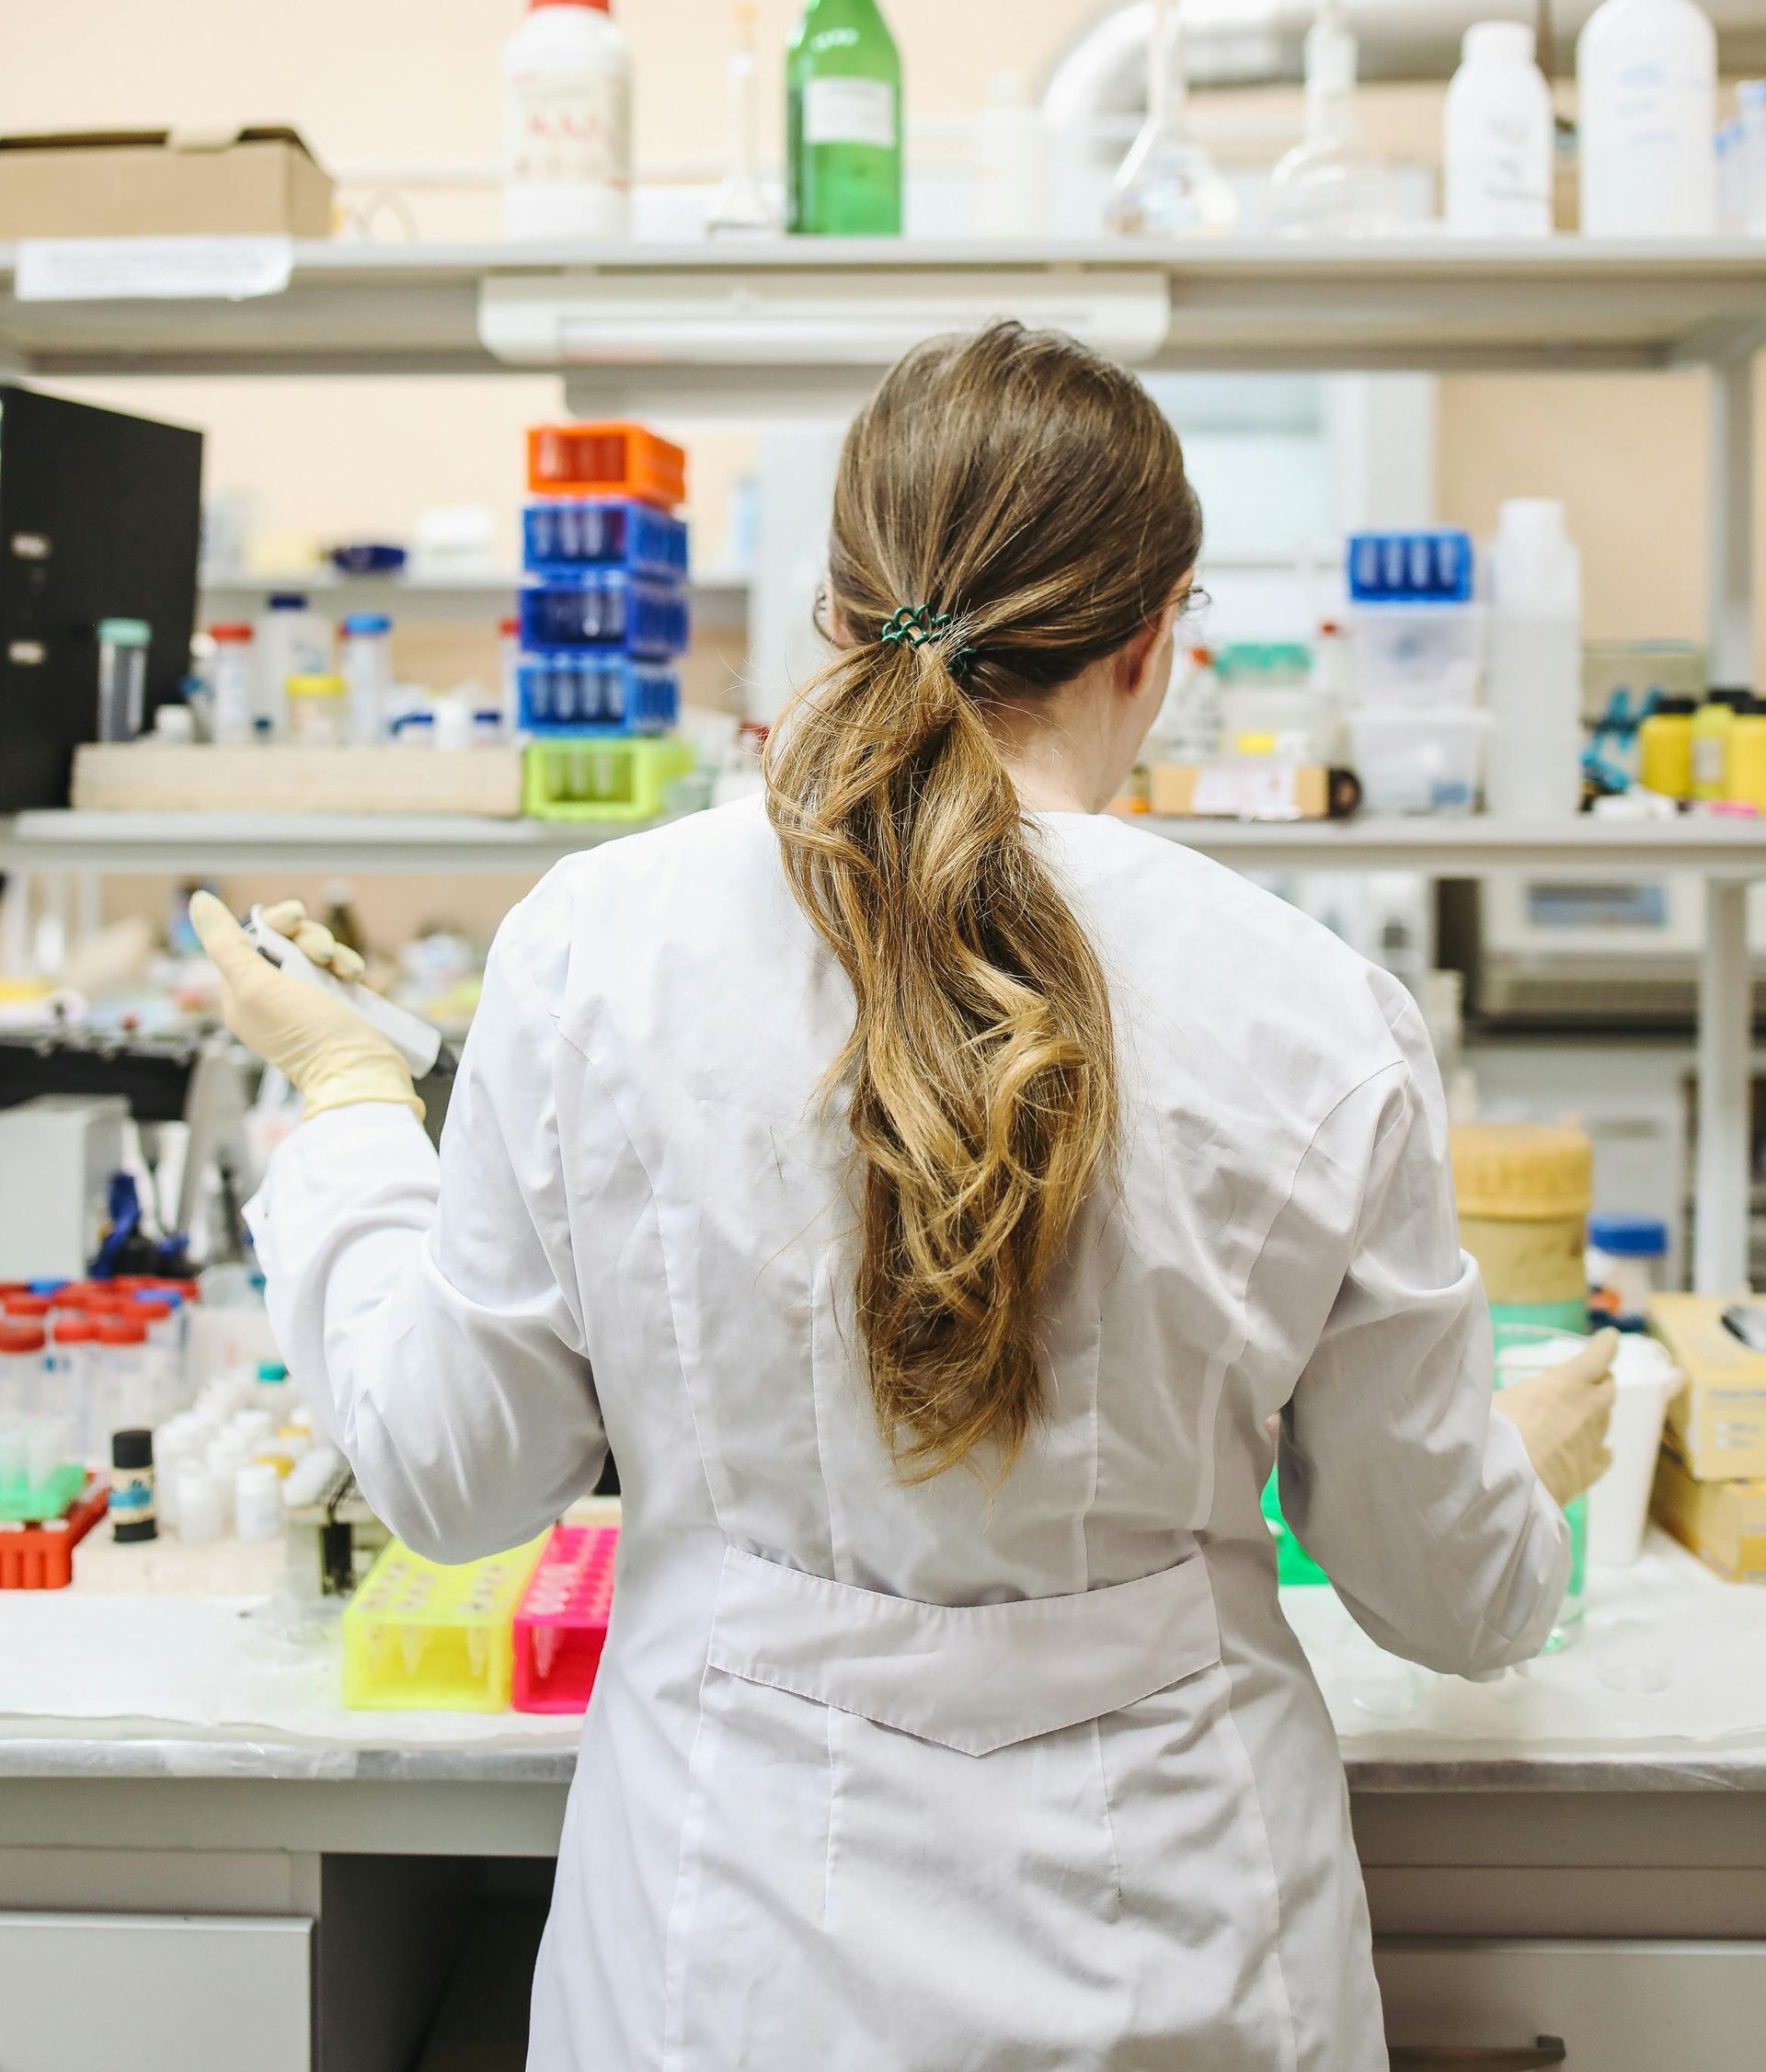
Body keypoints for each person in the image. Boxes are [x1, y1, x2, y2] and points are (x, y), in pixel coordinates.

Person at [193, 323, 1615, 2072]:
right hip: (1187, 1955)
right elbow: (1451, 1599)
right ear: (1159, 640)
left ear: (837, 613)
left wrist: (346, 1101)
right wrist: (1520, 1487)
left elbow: (454, 1475)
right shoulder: (1312, 1009)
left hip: (729, 1964)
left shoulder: (600, 946)